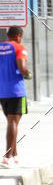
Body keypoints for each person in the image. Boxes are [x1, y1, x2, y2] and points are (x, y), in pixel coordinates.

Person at [0, 26, 30, 166]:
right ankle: (7, 157)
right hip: (17, 91)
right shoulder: (19, 48)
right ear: (18, 35)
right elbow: (22, 68)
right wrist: (29, 74)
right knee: (13, 123)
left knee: (12, 123)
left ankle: (15, 155)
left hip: (2, 92)